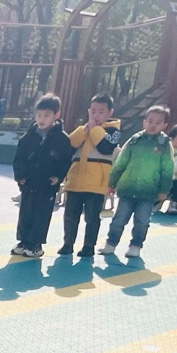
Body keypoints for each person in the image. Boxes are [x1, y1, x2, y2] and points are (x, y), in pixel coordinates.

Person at [102, 105, 175, 258]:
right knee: (119, 219)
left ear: (164, 125)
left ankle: (135, 245)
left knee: (142, 221)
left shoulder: (164, 144)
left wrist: (164, 190)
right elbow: (121, 162)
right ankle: (111, 243)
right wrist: (111, 183)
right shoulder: (134, 140)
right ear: (144, 122)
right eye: (150, 121)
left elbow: (167, 169)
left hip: (148, 191)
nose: (153, 125)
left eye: (158, 122)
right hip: (128, 188)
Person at [10, 94, 73, 257]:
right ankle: (23, 241)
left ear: (56, 115)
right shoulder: (29, 136)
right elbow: (19, 158)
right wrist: (20, 176)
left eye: (46, 115)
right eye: (39, 115)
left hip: (47, 184)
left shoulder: (61, 139)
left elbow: (66, 160)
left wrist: (59, 176)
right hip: (29, 182)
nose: (42, 119)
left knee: (41, 214)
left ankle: (35, 244)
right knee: (26, 212)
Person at [58, 94, 121, 257]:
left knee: (92, 218)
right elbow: (68, 146)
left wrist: (95, 129)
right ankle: (68, 243)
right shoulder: (84, 129)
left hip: (96, 185)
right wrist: (85, 129)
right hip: (76, 181)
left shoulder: (113, 130)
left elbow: (106, 147)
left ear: (110, 112)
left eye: (101, 111)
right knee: (70, 216)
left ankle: (88, 246)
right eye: (93, 111)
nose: (96, 115)